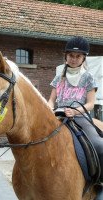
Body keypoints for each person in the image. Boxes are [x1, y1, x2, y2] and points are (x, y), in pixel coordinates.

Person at [47, 36, 103, 199]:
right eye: (71, 55)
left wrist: (75, 111)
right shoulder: (59, 77)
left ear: (83, 58)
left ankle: (99, 182)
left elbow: (91, 103)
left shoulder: (88, 78)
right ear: (66, 56)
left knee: (100, 145)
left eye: (78, 56)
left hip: (79, 117)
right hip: (58, 115)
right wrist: (49, 106)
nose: (74, 59)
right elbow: (52, 99)